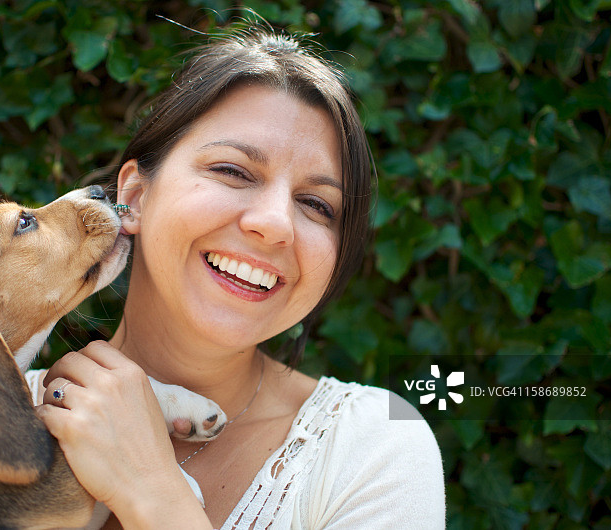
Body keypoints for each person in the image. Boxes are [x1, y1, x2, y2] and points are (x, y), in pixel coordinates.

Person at [27, 27, 445, 529]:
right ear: (135, 197)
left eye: (316, 205)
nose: (274, 225)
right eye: (233, 171)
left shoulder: (375, 445)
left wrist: (152, 491)